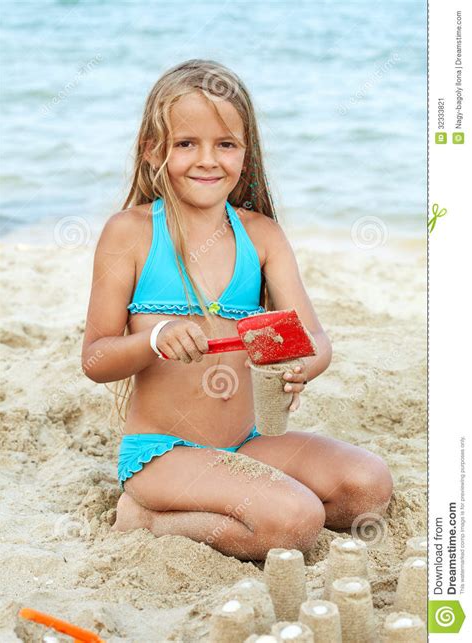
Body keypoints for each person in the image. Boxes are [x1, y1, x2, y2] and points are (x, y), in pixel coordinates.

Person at [81, 59, 393, 561]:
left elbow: (312, 340)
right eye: (186, 144)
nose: (208, 160)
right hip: (165, 455)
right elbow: (96, 359)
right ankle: (146, 517)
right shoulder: (131, 232)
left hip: (246, 443)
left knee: (367, 485)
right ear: (153, 151)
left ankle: (233, 500)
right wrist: (155, 337)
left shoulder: (262, 235)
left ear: (246, 154)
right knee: (295, 520)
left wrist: (301, 366)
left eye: (225, 144)